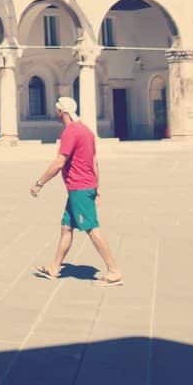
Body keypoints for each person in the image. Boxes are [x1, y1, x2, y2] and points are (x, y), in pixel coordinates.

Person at [30, 96, 122, 286]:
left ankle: (113, 271)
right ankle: (55, 268)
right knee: (66, 228)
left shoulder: (71, 132)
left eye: (57, 110)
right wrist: (97, 187)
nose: (56, 113)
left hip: (79, 188)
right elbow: (94, 161)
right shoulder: (86, 131)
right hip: (83, 187)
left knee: (91, 229)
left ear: (61, 112)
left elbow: (59, 162)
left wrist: (40, 183)